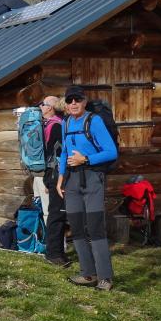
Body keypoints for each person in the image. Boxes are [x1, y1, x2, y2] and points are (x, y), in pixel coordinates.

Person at [56, 88, 116, 290]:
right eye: (69, 100)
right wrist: (60, 178)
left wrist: (86, 158)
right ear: (66, 103)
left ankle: (105, 278)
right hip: (71, 180)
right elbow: (64, 152)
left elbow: (111, 152)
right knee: (77, 227)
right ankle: (88, 274)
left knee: (95, 227)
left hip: (92, 178)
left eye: (77, 100)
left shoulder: (94, 121)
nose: (73, 103)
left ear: (84, 101)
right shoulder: (65, 123)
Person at [32, 95, 69, 266]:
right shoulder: (57, 126)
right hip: (54, 175)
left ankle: (54, 250)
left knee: (52, 212)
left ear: (51, 108)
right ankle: (54, 252)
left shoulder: (49, 125)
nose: (40, 106)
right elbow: (57, 156)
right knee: (56, 213)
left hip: (48, 174)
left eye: (43, 104)